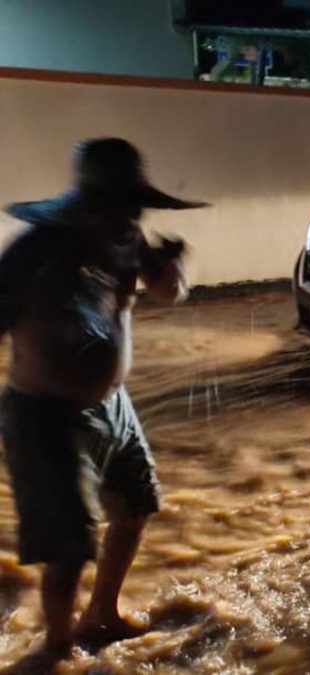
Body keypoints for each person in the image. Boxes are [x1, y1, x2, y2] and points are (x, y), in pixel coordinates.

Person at [0, 138, 201, 659]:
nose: (124, 216)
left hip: (114, 405)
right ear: (86, 204)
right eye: (114, 206)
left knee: (134, 510)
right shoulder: (33, 253)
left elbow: (165, 294)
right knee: (67, 552)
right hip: (43, 416)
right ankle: (57, 649)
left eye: (130, 207)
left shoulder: (127, 239)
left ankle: (102, 615)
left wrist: (175, 266)